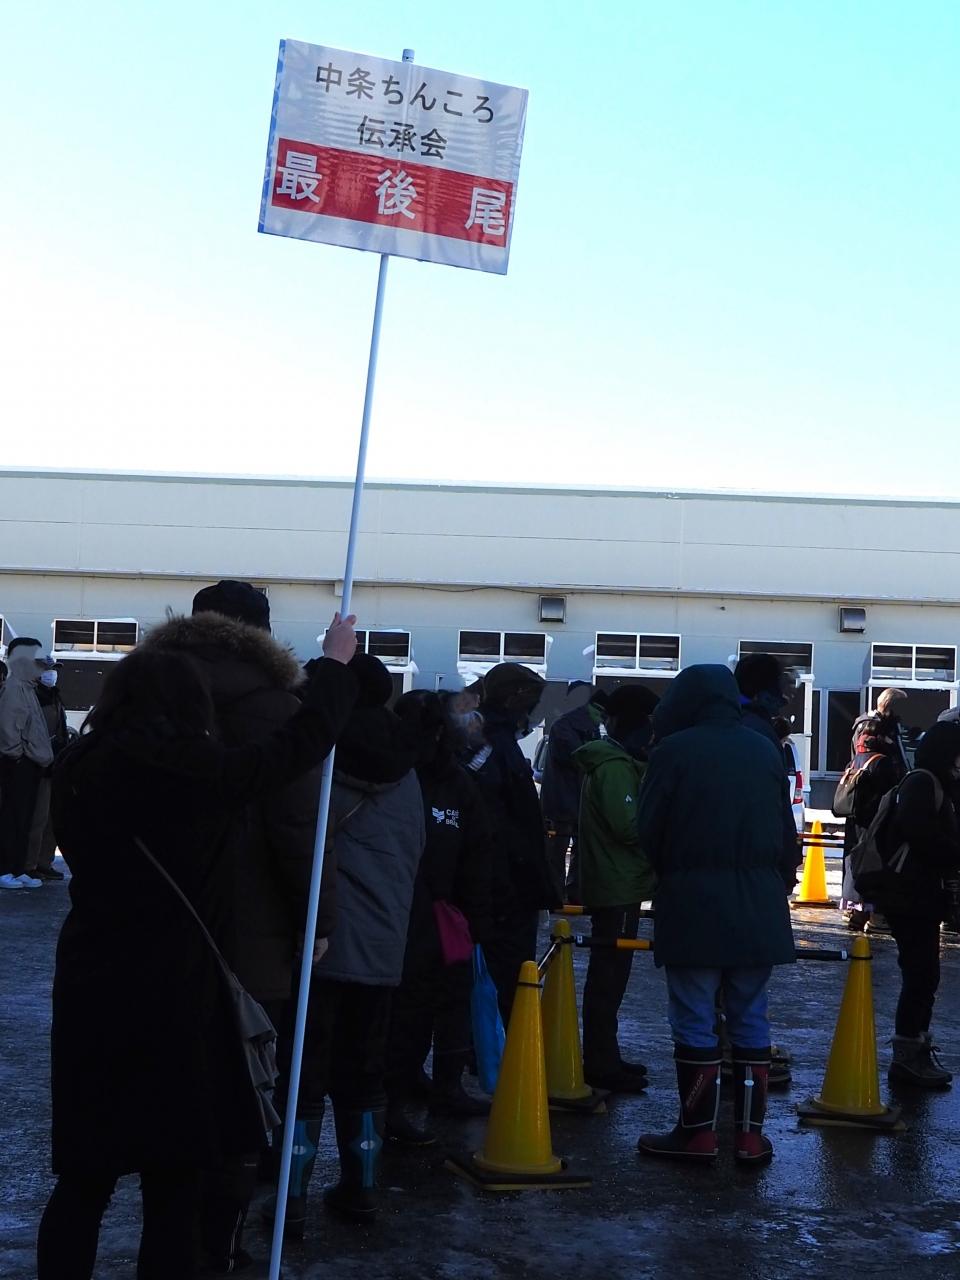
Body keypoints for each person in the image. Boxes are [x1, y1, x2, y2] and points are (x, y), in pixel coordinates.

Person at [36, 616, 358, 1280]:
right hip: (178, 990)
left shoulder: (77, 765)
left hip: (91, 979)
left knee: (84, 1178)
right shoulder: (195, 770)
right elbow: (295, 747)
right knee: (175, 1178)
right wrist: (332, 669)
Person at [139, 579, 344, 1271]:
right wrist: (319, 917)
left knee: (171, 1094)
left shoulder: (144, 697)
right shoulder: (274, 709)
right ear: (262, 633)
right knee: (242, 1095)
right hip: (251, 934)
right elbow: (298, 827)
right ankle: (217, 1244)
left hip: (157, 925)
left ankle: (168, 1247)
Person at [266, 653, 424, 1234]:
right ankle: (362, 1189)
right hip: (384, 945)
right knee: (365, 1072)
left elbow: (297, 839)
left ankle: (290, 1200)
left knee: (302, 1074)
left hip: (319, 944)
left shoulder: (319, 755)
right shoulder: (409, 770)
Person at [635, 665, 797, 1165]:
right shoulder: (764, 749)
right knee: (751, 1017)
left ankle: (697, 1134)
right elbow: (785, 833)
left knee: (694, 1016)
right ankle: (749, 1138)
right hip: (760, 905)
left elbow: (648, 831)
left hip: (693, 905)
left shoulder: (672, 751)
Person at [384, 690, 493, 1144]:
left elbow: (477, 851)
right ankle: (391, 1103)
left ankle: (441, 1086)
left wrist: (473, 913)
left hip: (440, 913)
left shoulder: (455, 782)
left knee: (445, 1001)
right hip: (397, 911)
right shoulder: (389, 774)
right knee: (402, 1014)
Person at [573, 683, 657, 1093]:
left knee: (611, 976)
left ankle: (605, 1053)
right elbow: (628, 826)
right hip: (617, 884)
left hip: (618, 881)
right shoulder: (614, 768)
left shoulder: (615, 763)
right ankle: (601, 1061)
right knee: (608, 977)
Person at [466, 662, 560, 1022]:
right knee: (503, 980)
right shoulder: (490, 743)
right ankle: (496, 1044)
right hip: (504, 886)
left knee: (504, 979)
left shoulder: (493, 740)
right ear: (515, 698)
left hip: (507, 883)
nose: (534, 715)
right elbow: (495, 819)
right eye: (532, 703)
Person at [869, 720, 960, 1088]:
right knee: (920, 974)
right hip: (910, 895)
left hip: (917, 895)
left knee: (924, 974)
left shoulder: (932, 782)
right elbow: (921, 834)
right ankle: (908, 1057)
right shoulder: (924, 783)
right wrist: (953, 852)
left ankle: (915, 1049)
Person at [841, 688, 909, 933]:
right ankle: (869, 912)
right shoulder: (875, 733)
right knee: (870, 856)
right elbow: (891, 769)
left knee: (858, 856)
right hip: (872, 807)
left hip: (861, 805)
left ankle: (856, 911)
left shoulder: (865, 727)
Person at [540, 683, 607, 902]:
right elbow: (582, 758)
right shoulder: (577, 728)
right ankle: (566, 894)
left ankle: (560, 895)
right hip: (568, 801)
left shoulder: (567, 726)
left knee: (560, 852)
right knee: (566, 851)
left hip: (565, 801)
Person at [0, 637, 55, 891]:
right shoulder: (14, 689)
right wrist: (17, 757)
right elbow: (9, 730)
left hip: (31, 764)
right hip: (19, 765)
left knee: (25, 820)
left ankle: (17, 868)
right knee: (13, 819)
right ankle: (4, 869)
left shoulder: (28, 688)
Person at [25, 659, 70, 882]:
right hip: (37, 765)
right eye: (47, 669)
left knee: (51, 818)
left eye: (54, 670)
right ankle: (29, 863)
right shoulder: (32, 697)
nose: (52, 674)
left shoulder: (54, 697)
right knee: (36, 818)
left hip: (55, 764)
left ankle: (44, 861)